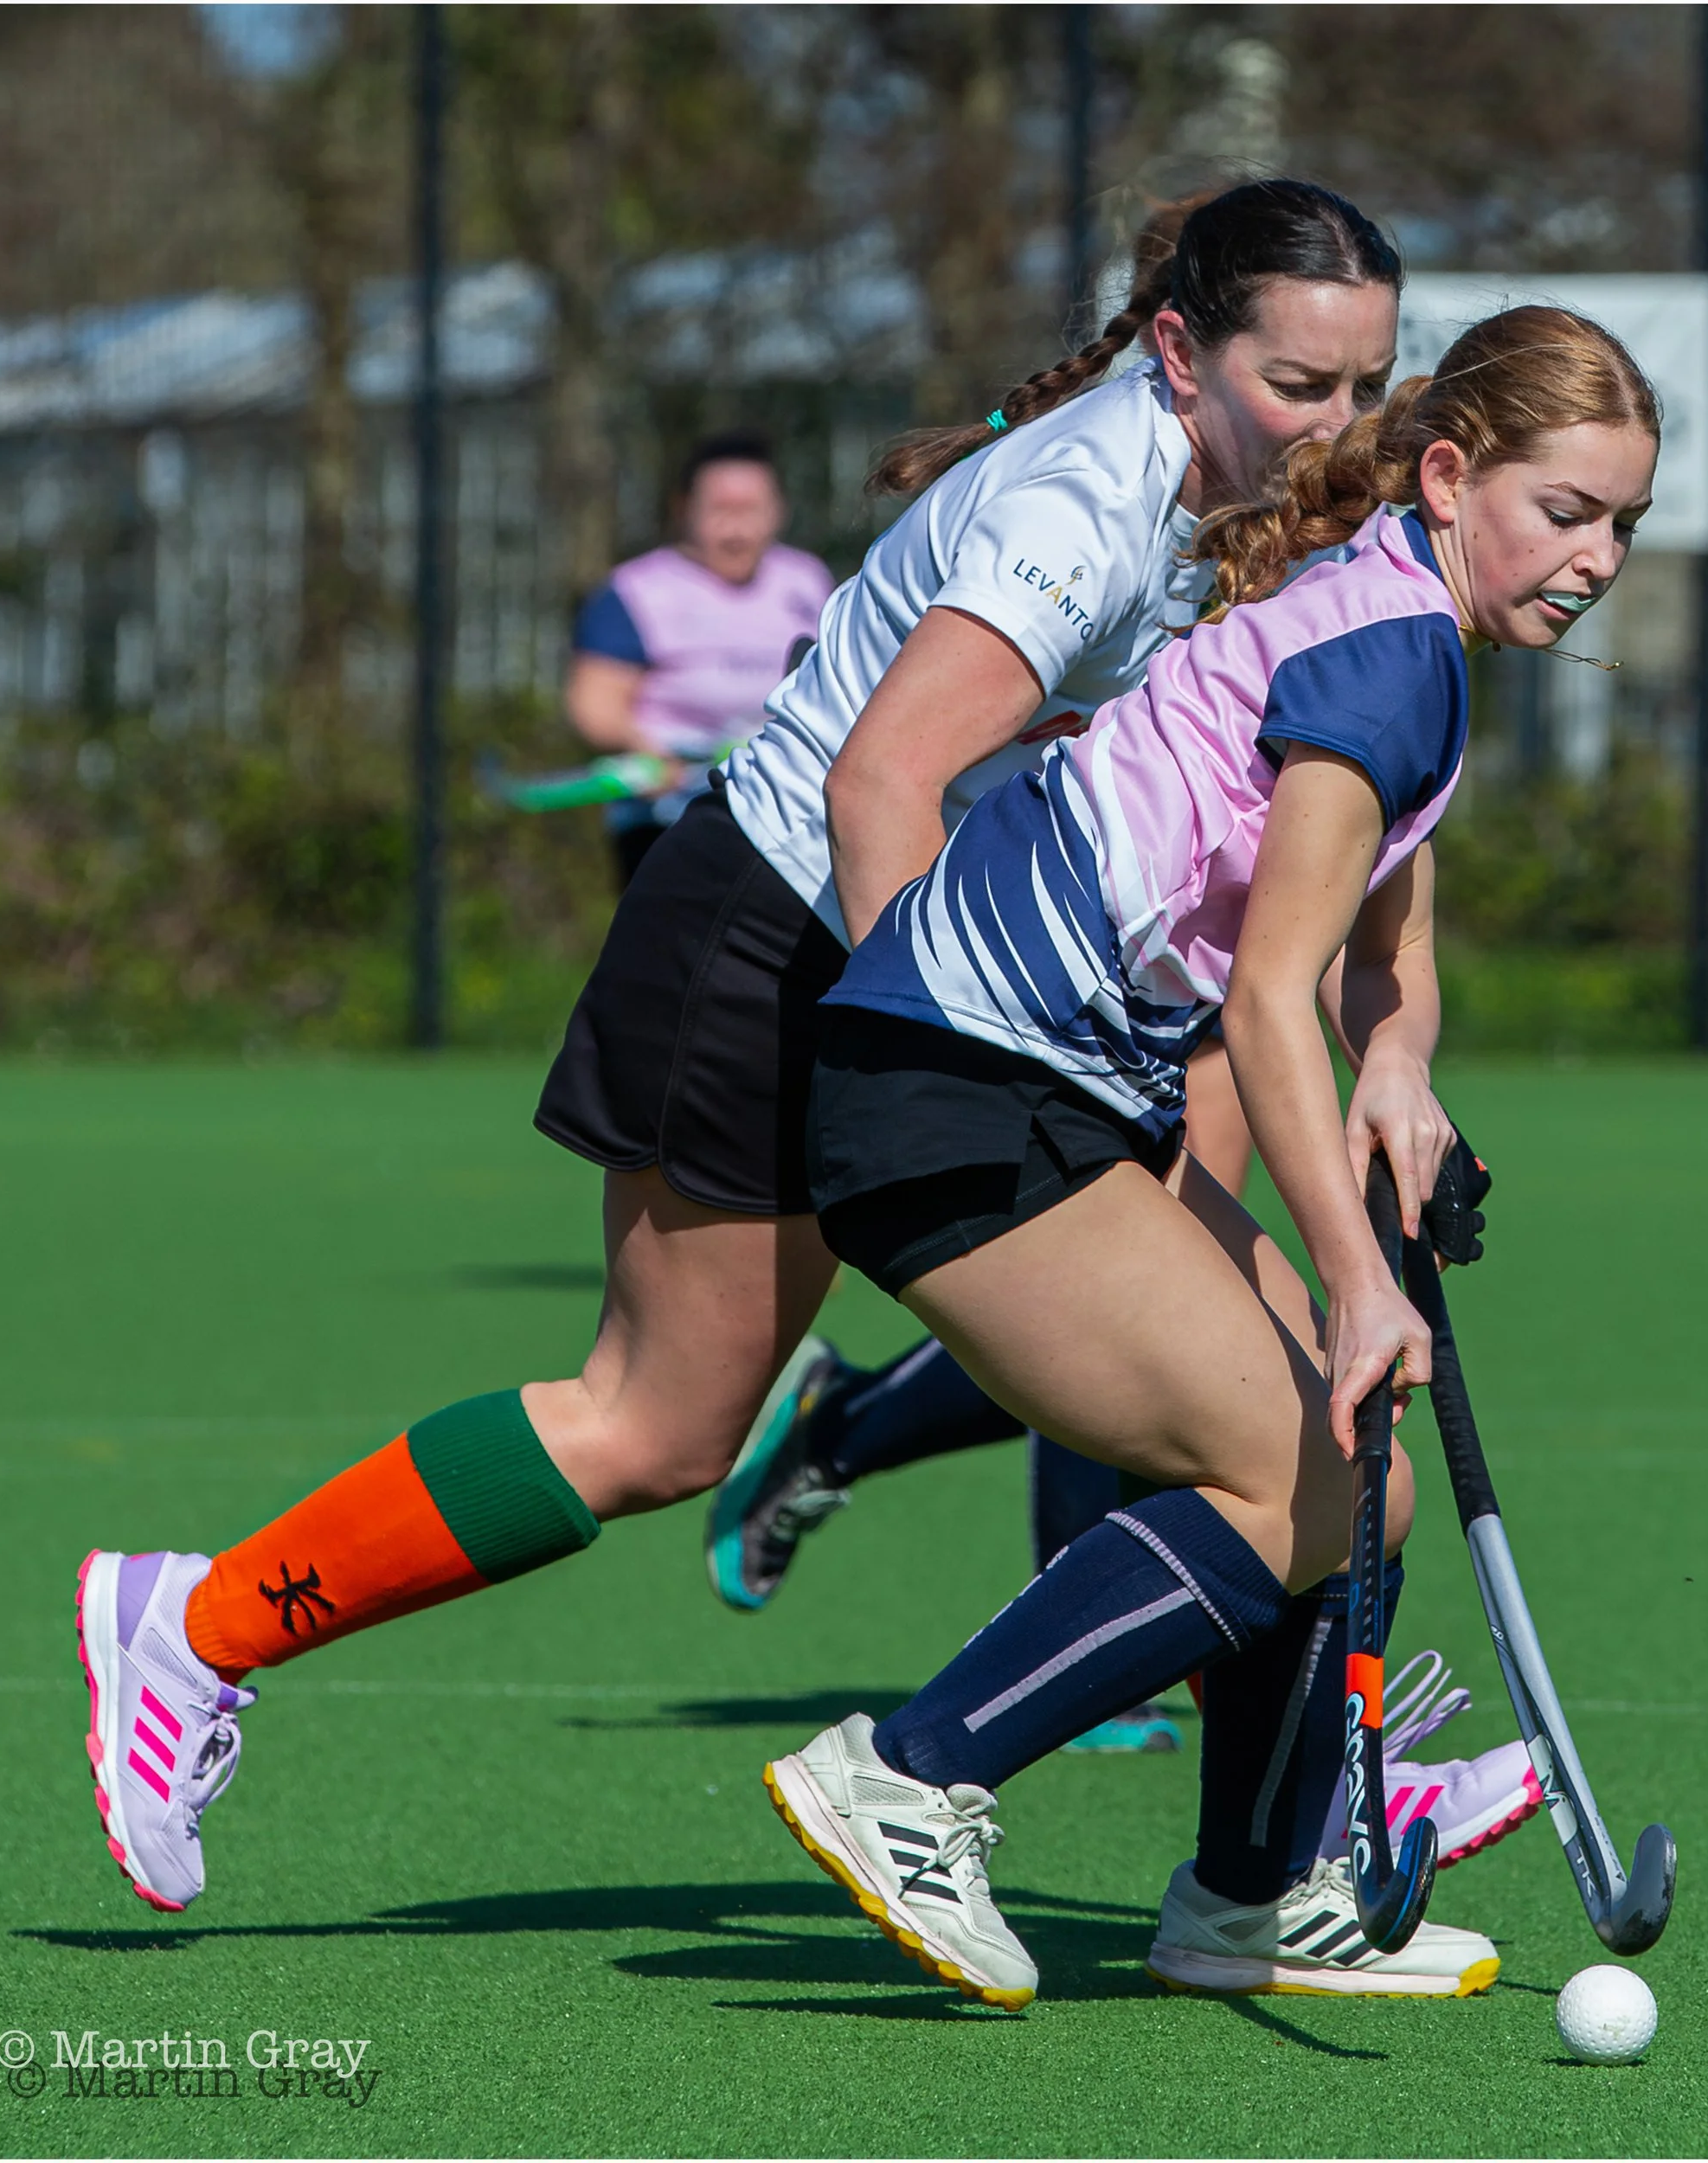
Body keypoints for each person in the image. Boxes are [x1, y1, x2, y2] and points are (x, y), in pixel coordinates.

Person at [73, 179, 1414, 1917]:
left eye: (1369, 385)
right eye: (1299, 385)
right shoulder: (1083, 504)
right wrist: (952, 1054)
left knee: (1228, 1408)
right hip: (780, 947)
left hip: (903, 963)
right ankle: (189, 1626)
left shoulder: (1206, 485)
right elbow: (879, 784)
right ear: (1179, 348)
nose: (1338, 426)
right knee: (652, 1424)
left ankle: (1291, 1819)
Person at [764, 305, 1661, 2006]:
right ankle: (910, 1770)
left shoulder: (1407, 618)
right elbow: (1262, 1007)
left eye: (1622, 521)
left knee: (1356, 1477)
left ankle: (1248, 1895)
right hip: (951, 1079)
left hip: (1044, 1079)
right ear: (1457, 473)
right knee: (1287, 1466)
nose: (1598, 557)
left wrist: (1397, 1061)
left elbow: (1378, 934)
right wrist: (1348, 1276)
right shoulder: (1392, 653)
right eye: (1567, 512)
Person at [567, 433, 833, 889]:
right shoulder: (635, 591)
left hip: (784, 811)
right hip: (666, 817)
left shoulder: (808, 582)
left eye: (751, 509)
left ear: (779, 510)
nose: (736, 530)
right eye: (720, 511)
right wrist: (644, 747)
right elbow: (594, 705)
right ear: (683, 509)